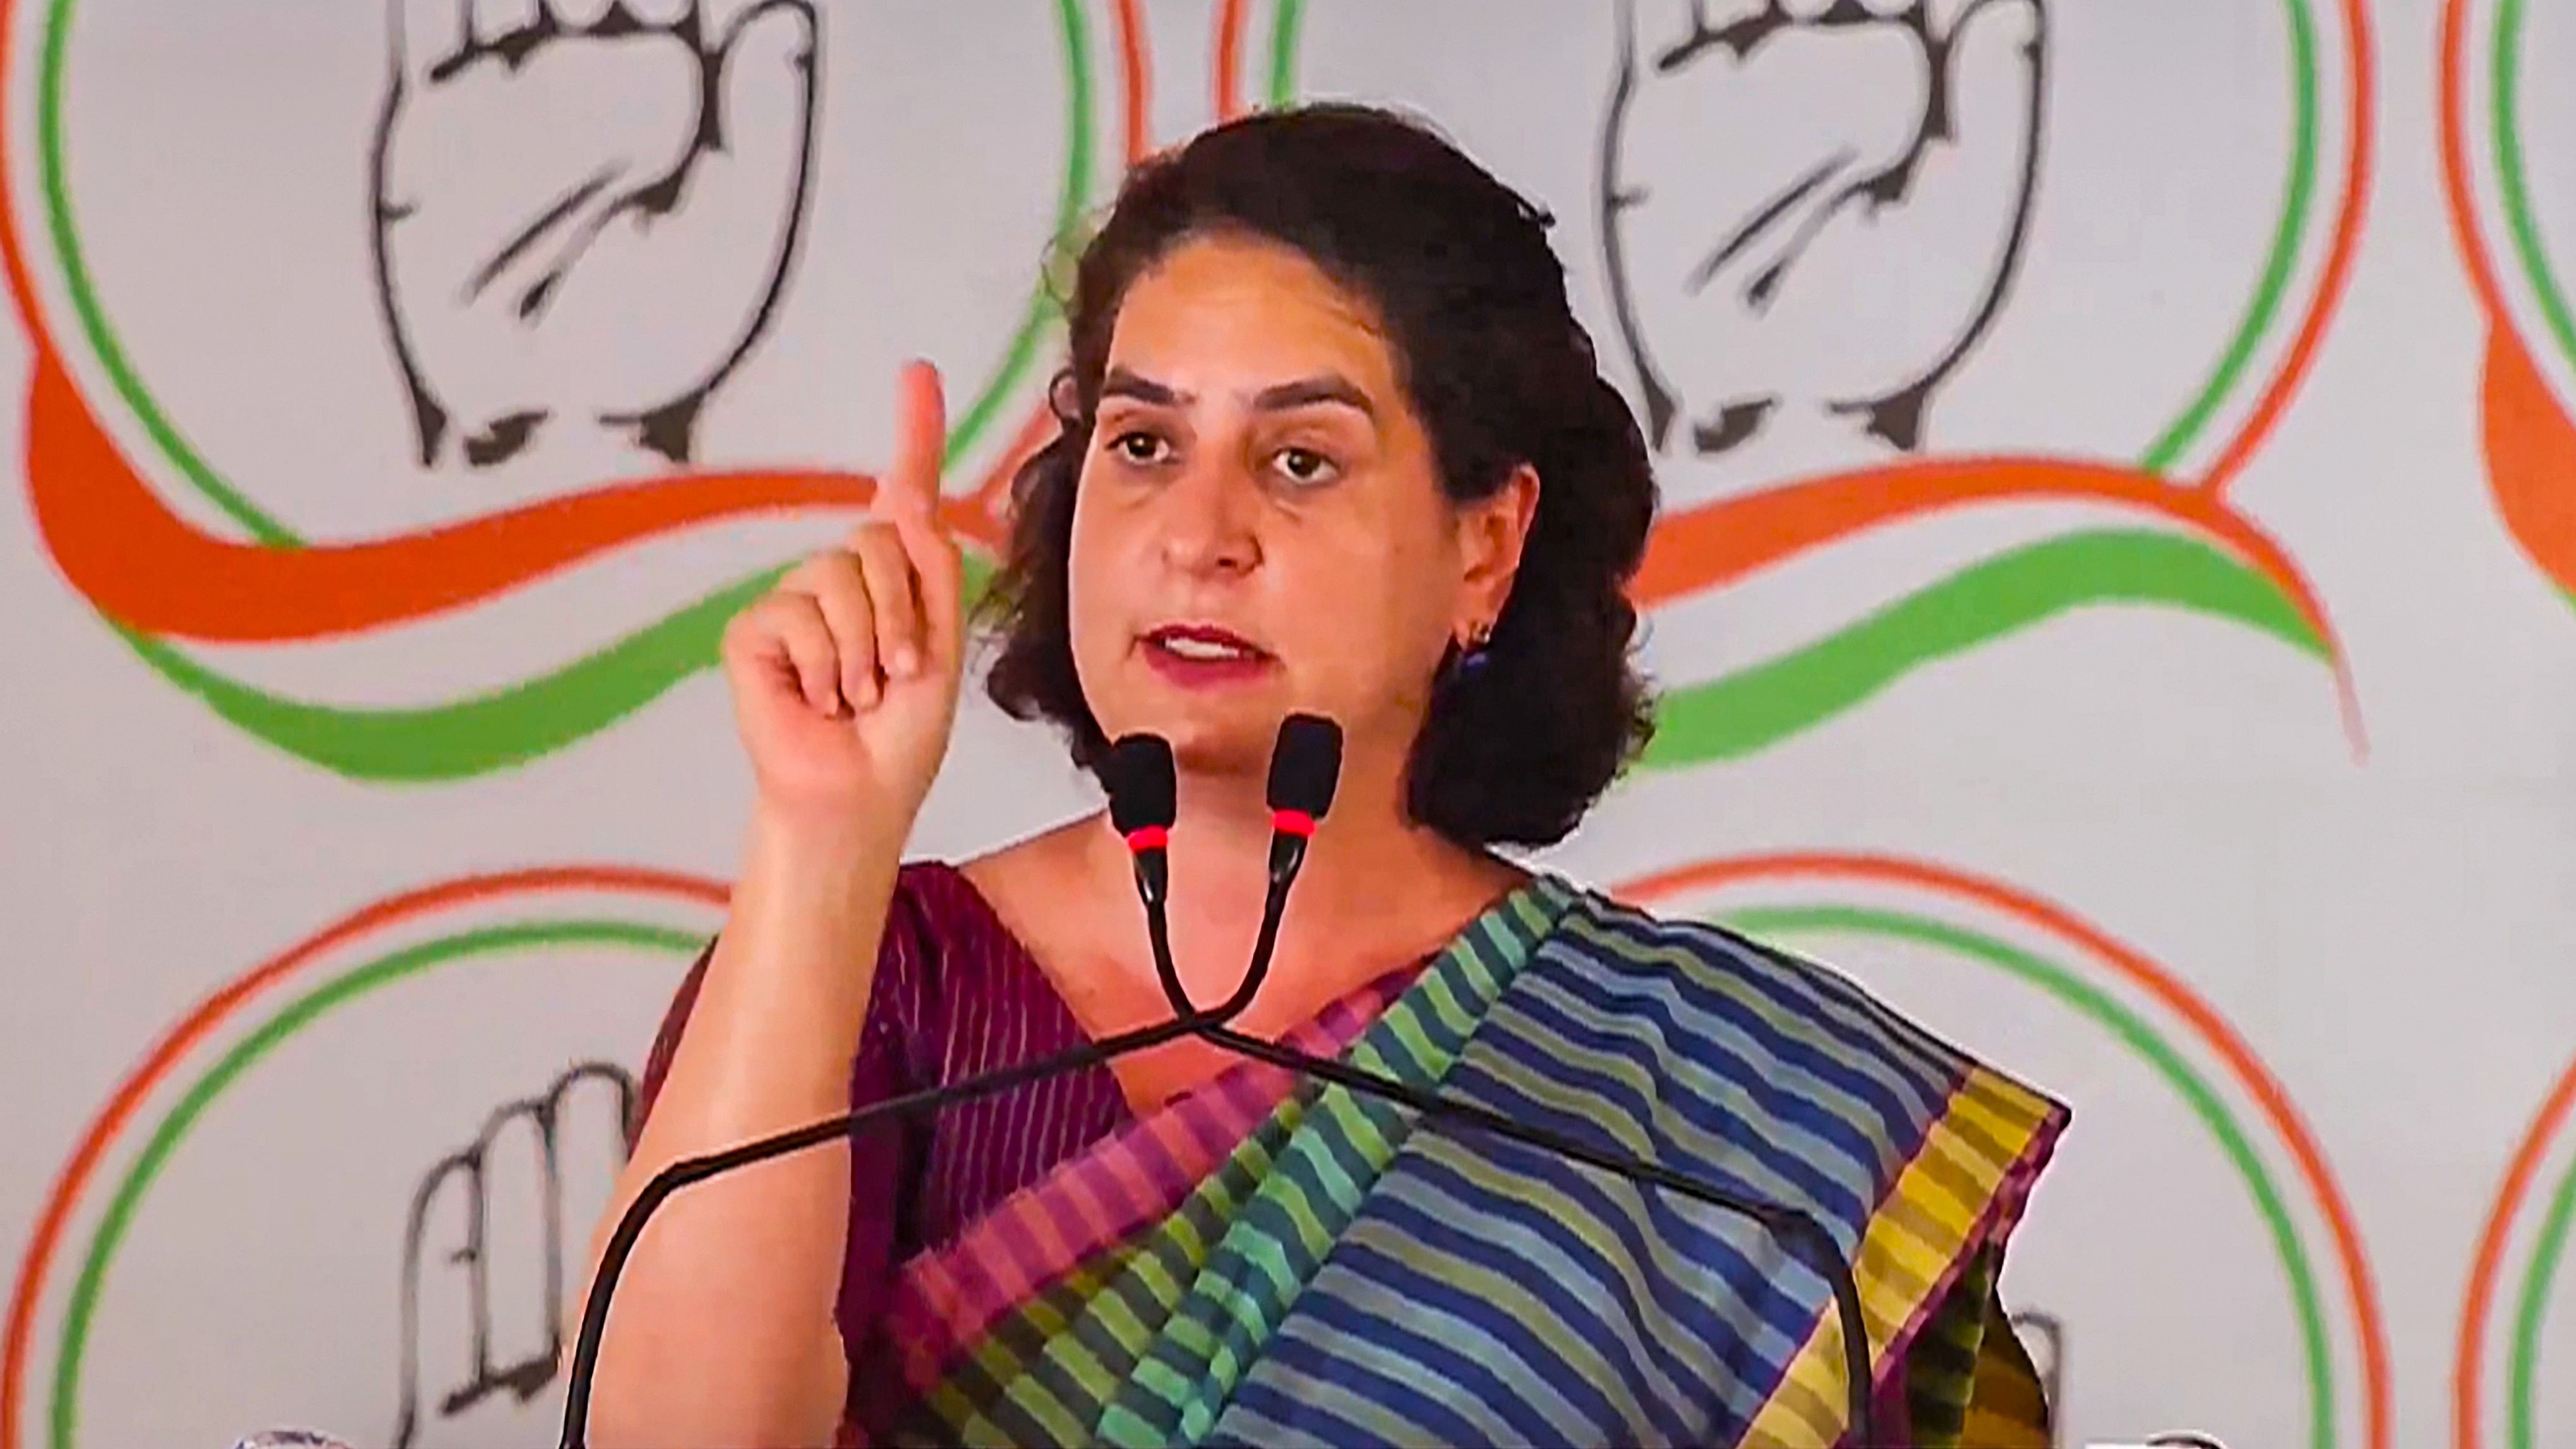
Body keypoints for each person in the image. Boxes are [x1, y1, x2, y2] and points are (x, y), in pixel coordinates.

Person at [579, 102, 2069, 1449]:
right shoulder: (878, 982)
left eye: (1299, 461)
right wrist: (822, 832)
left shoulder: (1723, 1109)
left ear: (1483, 545)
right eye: (1143, 441)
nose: (1197, 534)